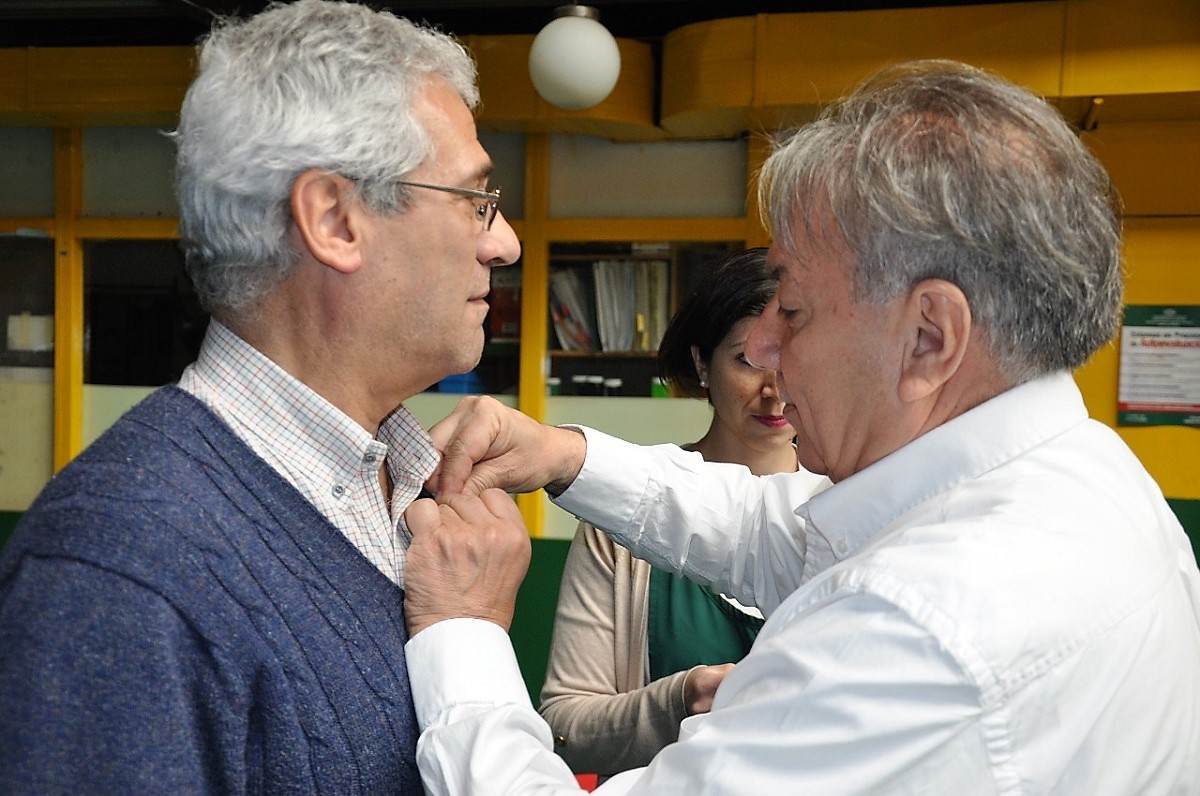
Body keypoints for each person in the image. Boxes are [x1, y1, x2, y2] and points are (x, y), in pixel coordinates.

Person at [401, 59, 1200, 793]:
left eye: (792, 307)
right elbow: (779, 532)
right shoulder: (1079, 477)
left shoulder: (917, 632)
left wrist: (461, 632)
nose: (760, 346)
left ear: (929, 337)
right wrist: (565, 455)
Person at [0, 1, 519, 792]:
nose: (503, 241)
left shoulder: (408, 491)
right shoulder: (115, 571)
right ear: (335, 220)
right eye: (473, 199)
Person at [540, 248, 826, 776]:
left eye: (793, 360)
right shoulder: (618, 517)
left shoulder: (841, 511)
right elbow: (562, 728)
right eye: (748, 360)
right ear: (701, 363)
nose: (775, 389)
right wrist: (678, 701)